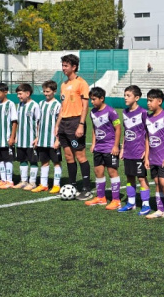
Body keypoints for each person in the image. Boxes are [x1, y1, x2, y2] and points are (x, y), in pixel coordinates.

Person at [58, 54, 93, 200]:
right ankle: (72, 185)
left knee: (80, 155)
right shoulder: (63, 84)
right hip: (63, 124)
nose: (63, 68)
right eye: (63, 65)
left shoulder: (82, 83)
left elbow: (85, 106)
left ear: (74, 67)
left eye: (66, 65)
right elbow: (62, 106)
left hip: (75, 122)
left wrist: (81, 124)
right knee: (68, 156)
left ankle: (86, 188)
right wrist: (57, 125)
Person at [117, 85, 152, 213]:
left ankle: (146, 204)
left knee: (141, 178)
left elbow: (149, 133)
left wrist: (146, 151)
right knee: (129, 177)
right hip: (128, 151)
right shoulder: (125, 112)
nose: (125, 98)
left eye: (128, 95)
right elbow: (126, 132)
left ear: (136, 98)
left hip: (139, 152)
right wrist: (122, 148)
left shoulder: (143, 113)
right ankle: (131, 202)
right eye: (125, 95)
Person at [144, 89, 164, 222]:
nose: (148, 103)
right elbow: (147, 138)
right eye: (147, 100)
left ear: (160, 101)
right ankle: (160, 210)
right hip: (153, 157)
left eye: (151, 101)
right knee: (157, 182)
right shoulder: (148, 118)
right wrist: (146, 156)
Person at [87, 86, 122, 207]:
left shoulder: (111, 111)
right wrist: (93, 143)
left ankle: (116, 200)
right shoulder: (92, 112)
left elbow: (118, 129)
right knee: (98, 171)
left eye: (94, 99)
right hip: (99, 148)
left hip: (110, 147)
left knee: (112, 172)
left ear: (102, 98)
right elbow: (94, 128)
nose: (92, 102)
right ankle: (101, 197)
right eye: (91, 99)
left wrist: (116, 146)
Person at [33, 80, 63, 193]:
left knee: (56, 162)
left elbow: (59, 124)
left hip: (52, 140)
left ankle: (56, 185)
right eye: (44, 91)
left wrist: (58, 140)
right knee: (44, 162)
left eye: (48, 91)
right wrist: (37, 137)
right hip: (42, 140)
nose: (46, 93)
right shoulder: (40, 104)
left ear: (54, 91)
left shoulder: (57, 105)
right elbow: (38, 122)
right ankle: (44, 184)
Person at [12, 83, 40, 190]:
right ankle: (23, 180)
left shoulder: (35, 105)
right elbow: (17, 122)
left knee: (33, 160)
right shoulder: (19, 105)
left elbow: (38, 122)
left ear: (27, 93)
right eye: (18, 94)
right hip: (20, 139)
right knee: (22, 160)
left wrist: (37, 137)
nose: (18, 96)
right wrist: (15, 136)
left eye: (20, 94)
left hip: (31, 139)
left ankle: (32, 182)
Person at [0, 82, 18, 188]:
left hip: (6, 138)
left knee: (7, 159)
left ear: (5, 92)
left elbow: (14, 122)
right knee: (0, 159)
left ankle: (10, 181)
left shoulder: (10, 104)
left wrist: (12, 137)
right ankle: (3, 179)